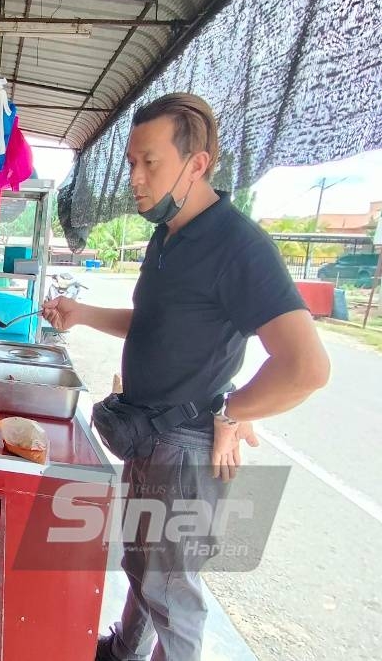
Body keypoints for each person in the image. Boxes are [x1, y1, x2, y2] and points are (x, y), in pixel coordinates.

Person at [41, 93, 330, 661]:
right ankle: (124, 649)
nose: (135, 178)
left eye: (150, 162)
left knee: (172, 590)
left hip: (185, 445)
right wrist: (83, 314)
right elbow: (155, 323)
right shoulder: (167, 234)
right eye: (131, 162)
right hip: (148, 435)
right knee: (144, 563)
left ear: (196, 164)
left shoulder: (238, 246)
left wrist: (234, 413)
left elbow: (306, 368)